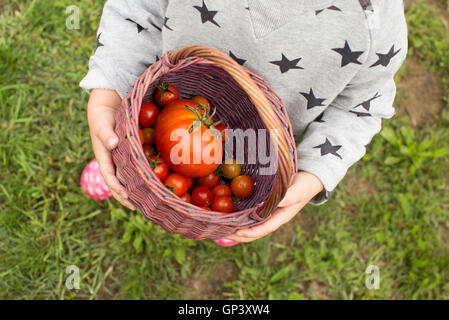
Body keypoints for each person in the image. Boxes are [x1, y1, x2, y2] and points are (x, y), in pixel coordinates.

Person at [81, 0, 408, 244]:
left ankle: (226, 216)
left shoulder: (374, 23)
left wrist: (312, 176)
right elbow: (137, 10)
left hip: (260, 158)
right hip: (155, 111)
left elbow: (360, 108)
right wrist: (111, 93)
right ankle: (126, 158)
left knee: (231, 216)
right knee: (123, 152)